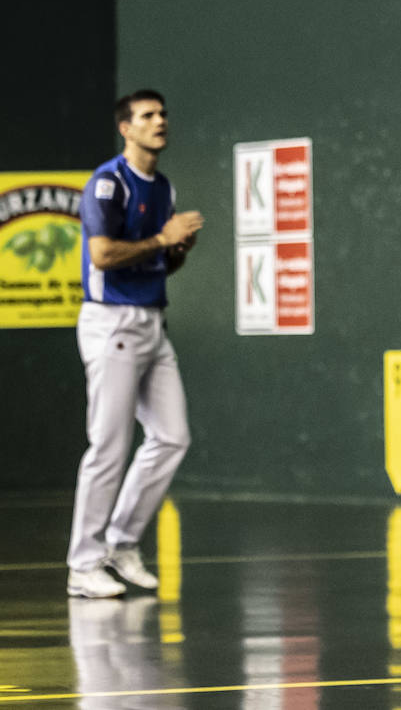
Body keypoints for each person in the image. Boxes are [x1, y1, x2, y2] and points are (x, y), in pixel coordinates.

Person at [66, 89, 204, 599]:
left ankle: (121, 544)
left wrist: (178, 250)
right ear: (127, 128)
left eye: (163, 114)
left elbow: (161, 263)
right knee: (109, 445)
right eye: (148, 116)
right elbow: (102, 256)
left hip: (152, 321)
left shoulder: (162, 188)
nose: (160, 121)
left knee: (172, 437)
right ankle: (83, 563)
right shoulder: (108, 183)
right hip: (112, 325)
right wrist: (161, 241)